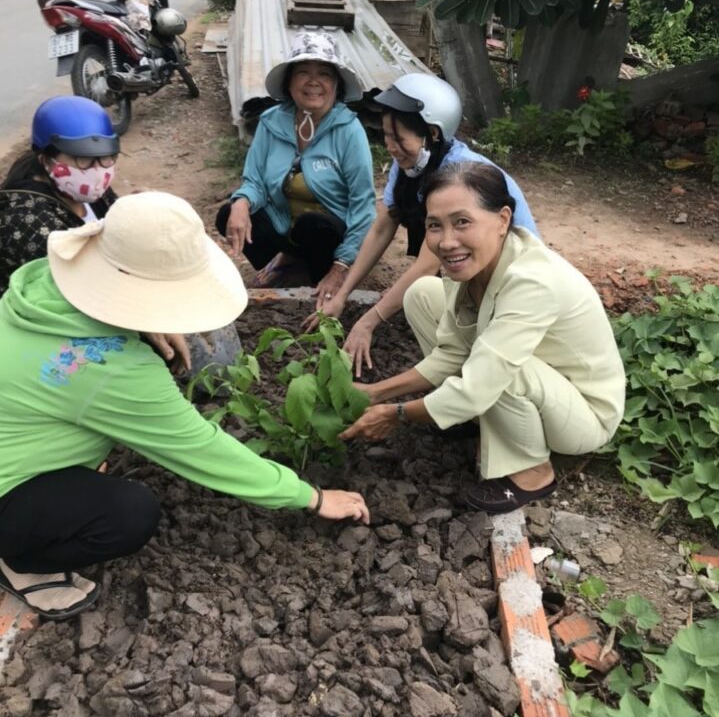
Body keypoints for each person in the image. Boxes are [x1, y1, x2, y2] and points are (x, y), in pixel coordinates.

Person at [0, 192, 369, 621]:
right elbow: (201, 449)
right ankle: (25, 568)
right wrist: (311, 496)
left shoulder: (40, 286)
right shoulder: (111, 368)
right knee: (128, 514)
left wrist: (142, 322)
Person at [341, 162, 625, 514]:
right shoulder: (471, 268)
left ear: (503, 219)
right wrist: (376, 393)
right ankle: (465, 417)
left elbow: (479, 381)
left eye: (462, 222)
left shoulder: (532, 280)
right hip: (535, 380)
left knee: (500, 371)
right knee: (423, 294)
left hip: (583, 413)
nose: (446, 242)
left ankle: (533, 470)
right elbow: (453, 353)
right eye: (434, 226)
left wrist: (395, 414)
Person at [316, 74, 538, 376]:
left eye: (399, 138)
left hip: (507, 284)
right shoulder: (410, 163)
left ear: (432, 133)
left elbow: (424, 265)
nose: (390, 147)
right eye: (386, 136)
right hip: (472, 270)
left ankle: (464, 371)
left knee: (445, 317)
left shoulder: (457, 176)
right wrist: (342, 295)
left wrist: (367, 322)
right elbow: (384, 226)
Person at [0, 96, 119, 356]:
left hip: (42, 303)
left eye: (106, 157)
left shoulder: (91, 194)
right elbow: (85, 294)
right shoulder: (30, 220)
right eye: (82, 160)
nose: (97, 171)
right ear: (46, 160)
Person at [216, 31, 375, 304]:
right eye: (303, 72)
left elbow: (364, 205)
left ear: (336, 85)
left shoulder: (349, 130)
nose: (314, 82)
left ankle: (320, 271)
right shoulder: (271, 122)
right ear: (289, 83)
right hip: (284, 225)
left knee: (313, 225)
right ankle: (288, 260)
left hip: (329, 234)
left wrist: (342, 266)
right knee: (228, 213)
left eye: (324, 73)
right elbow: (254, 180)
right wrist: (241, 202)